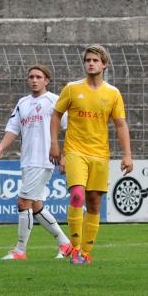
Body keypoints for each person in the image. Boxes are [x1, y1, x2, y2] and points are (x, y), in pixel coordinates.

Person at [50, 44, 133, 265]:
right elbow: (56, 115)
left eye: (95, 60)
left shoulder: (113, 93)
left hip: (100, 154)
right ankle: (74, 249)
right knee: (77, 195)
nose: (91, 63)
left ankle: (86, 252)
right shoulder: (71, 88)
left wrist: (127, 154)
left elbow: (121, 124)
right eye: (88, 60)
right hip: (75, 151)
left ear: (104, 64)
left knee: (94, 203)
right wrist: (54, 144)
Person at [0, 65, 73, 261]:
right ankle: (65, 244)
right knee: (36, 206)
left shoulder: (55, 101)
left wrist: (64, 156)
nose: (34, 80)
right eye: (31, 77)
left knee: (23, 202)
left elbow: (70, 129)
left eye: (39, 77)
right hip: (28, 160)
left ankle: (20, 251)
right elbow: (13, 129)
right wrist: (1, 147)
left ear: (47, 80)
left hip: (44, 159)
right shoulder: (23, 103)